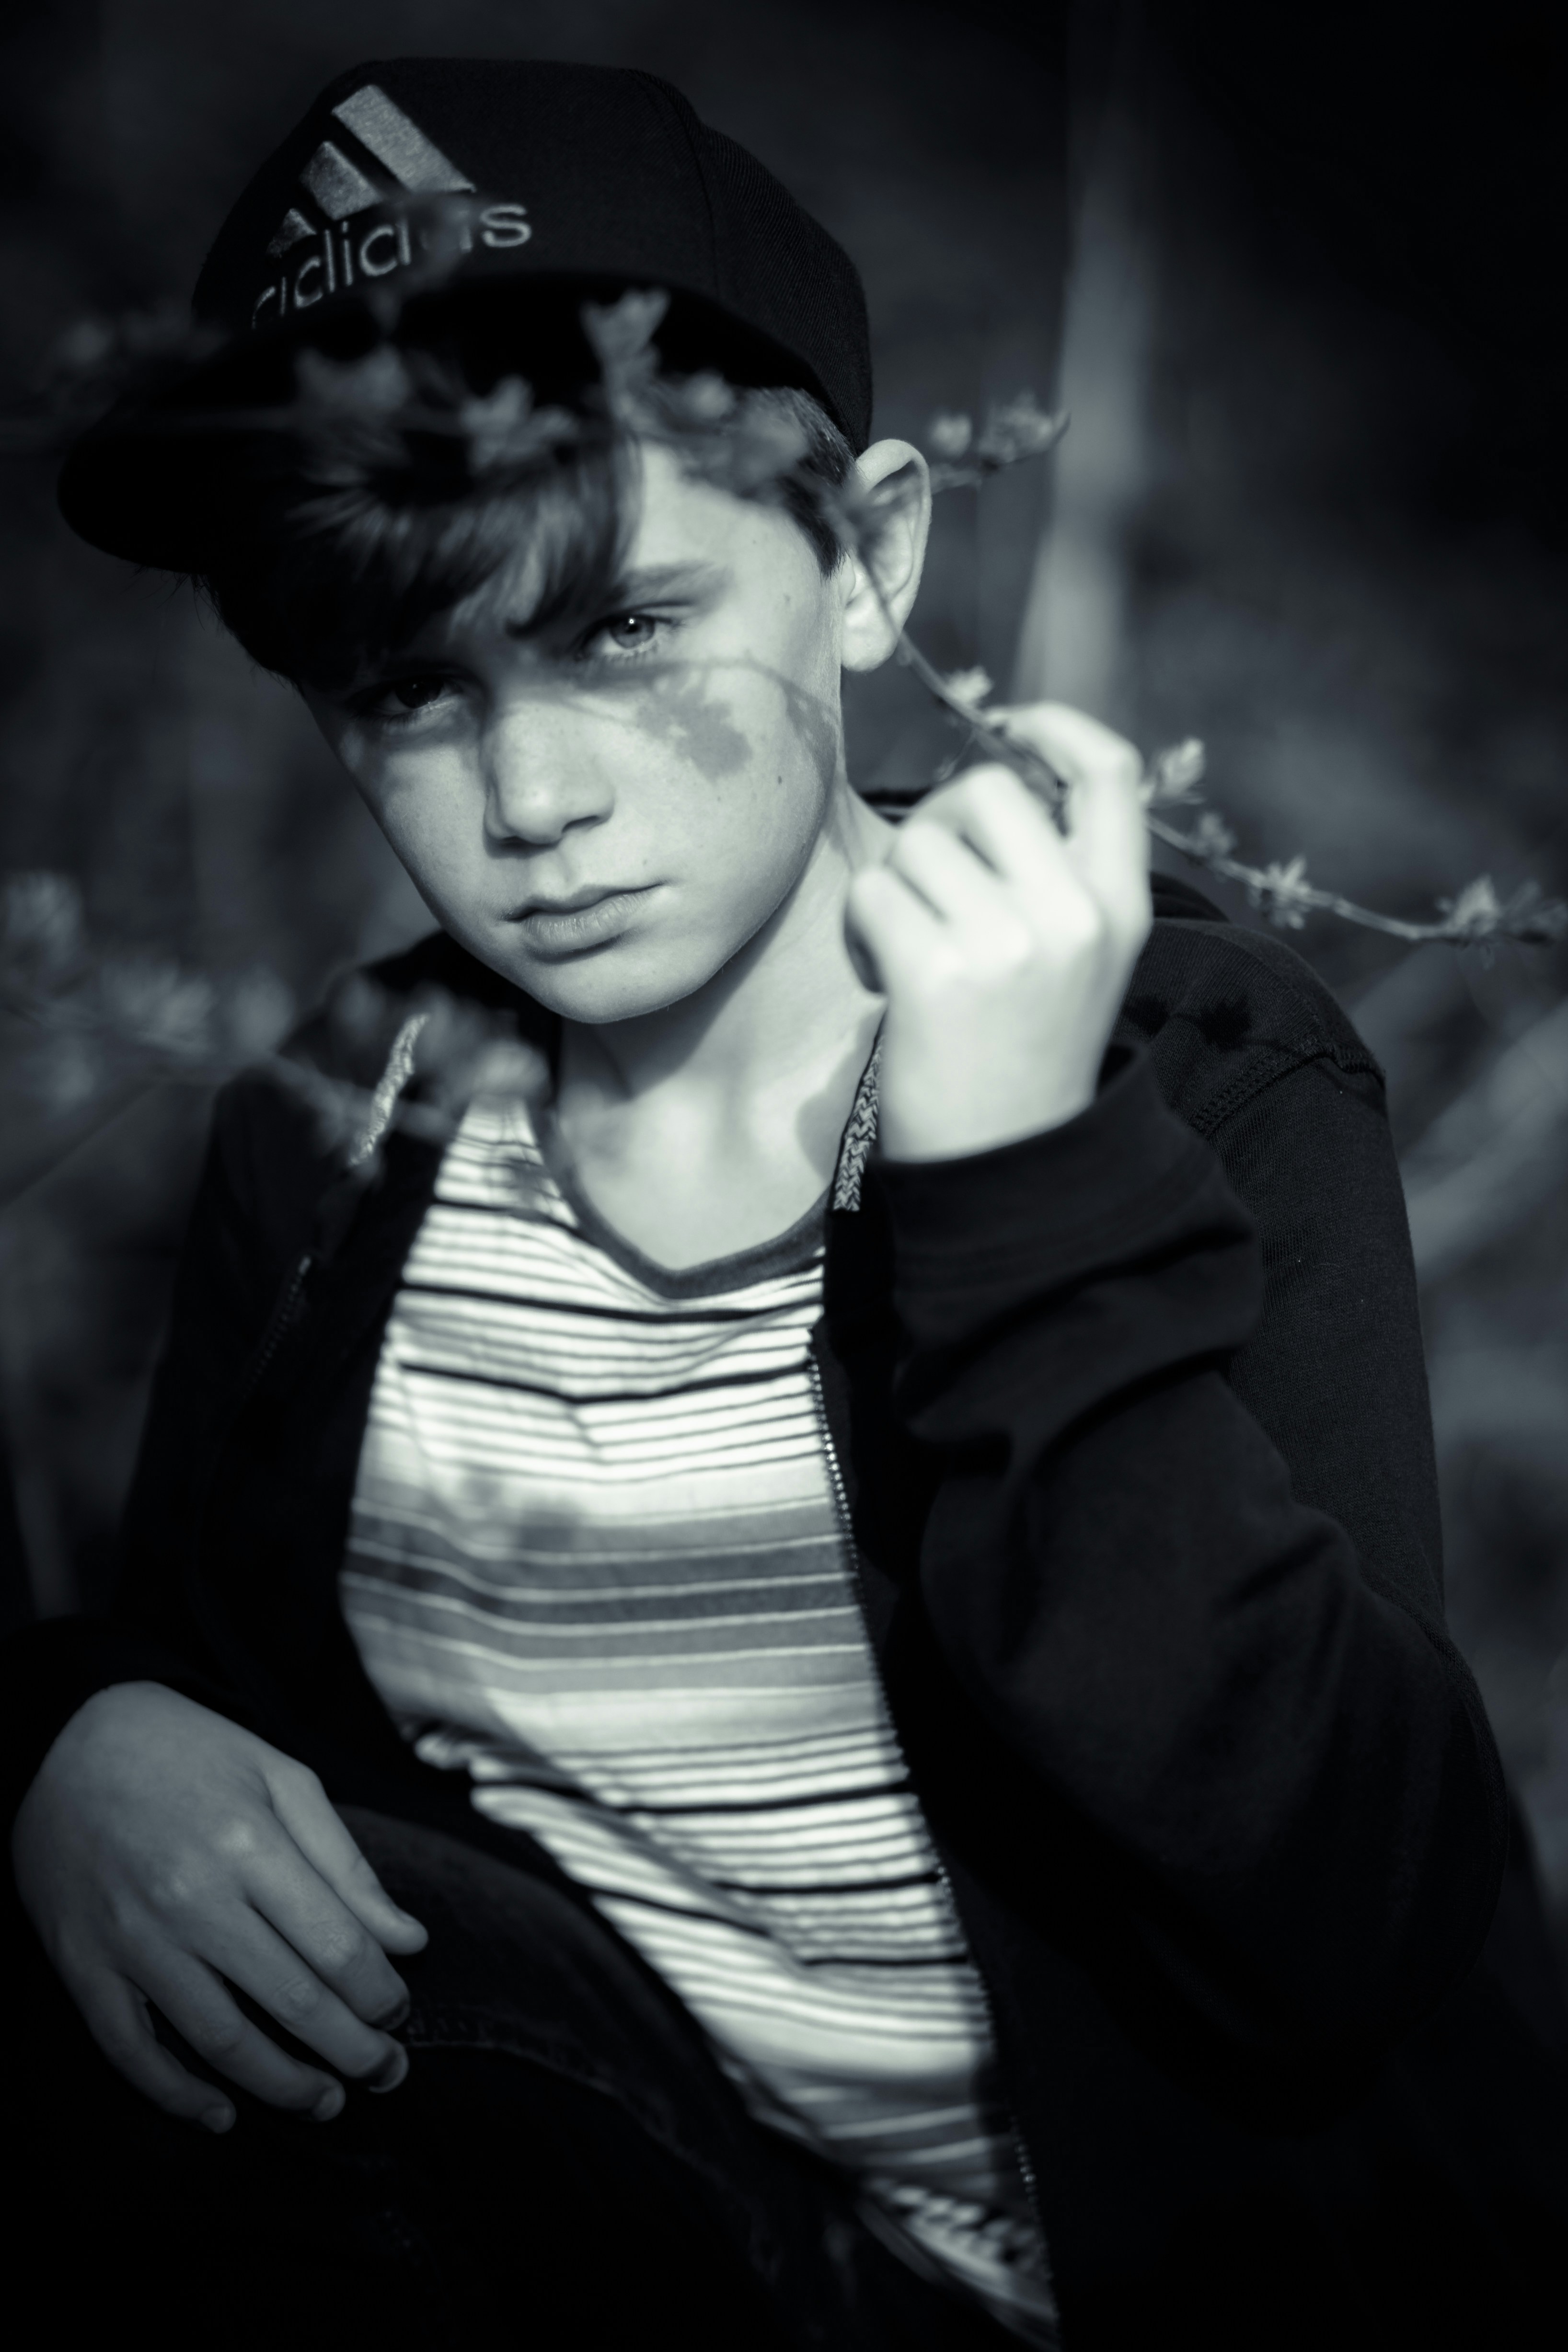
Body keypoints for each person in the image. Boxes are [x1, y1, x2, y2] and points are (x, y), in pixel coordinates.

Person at [2, 54, 1563, 2352]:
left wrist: (1014, 1185)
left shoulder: (1185, 1068)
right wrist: (69, 1737)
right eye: (409, 688)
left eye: (625, 628)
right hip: (680, 2243)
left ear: (868, 560)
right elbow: (243, 1740)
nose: (531, 796)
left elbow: (1330, 1906)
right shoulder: (345, 1124)